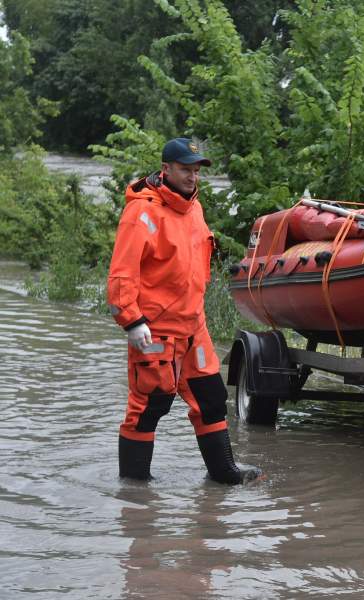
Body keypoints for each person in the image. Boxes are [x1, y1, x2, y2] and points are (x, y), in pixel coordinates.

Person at [108, 137, 261, 485]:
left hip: (194, 328)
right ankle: (135, 491)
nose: (192, 177)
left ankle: (224, 473)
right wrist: (131, 321)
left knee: (211, 400)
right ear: (166, 169)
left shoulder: (194, 208)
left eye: (196, 170)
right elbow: (121, 275)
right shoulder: (141, 213)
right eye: (185, 169)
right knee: (149, 407)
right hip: (154, 330)